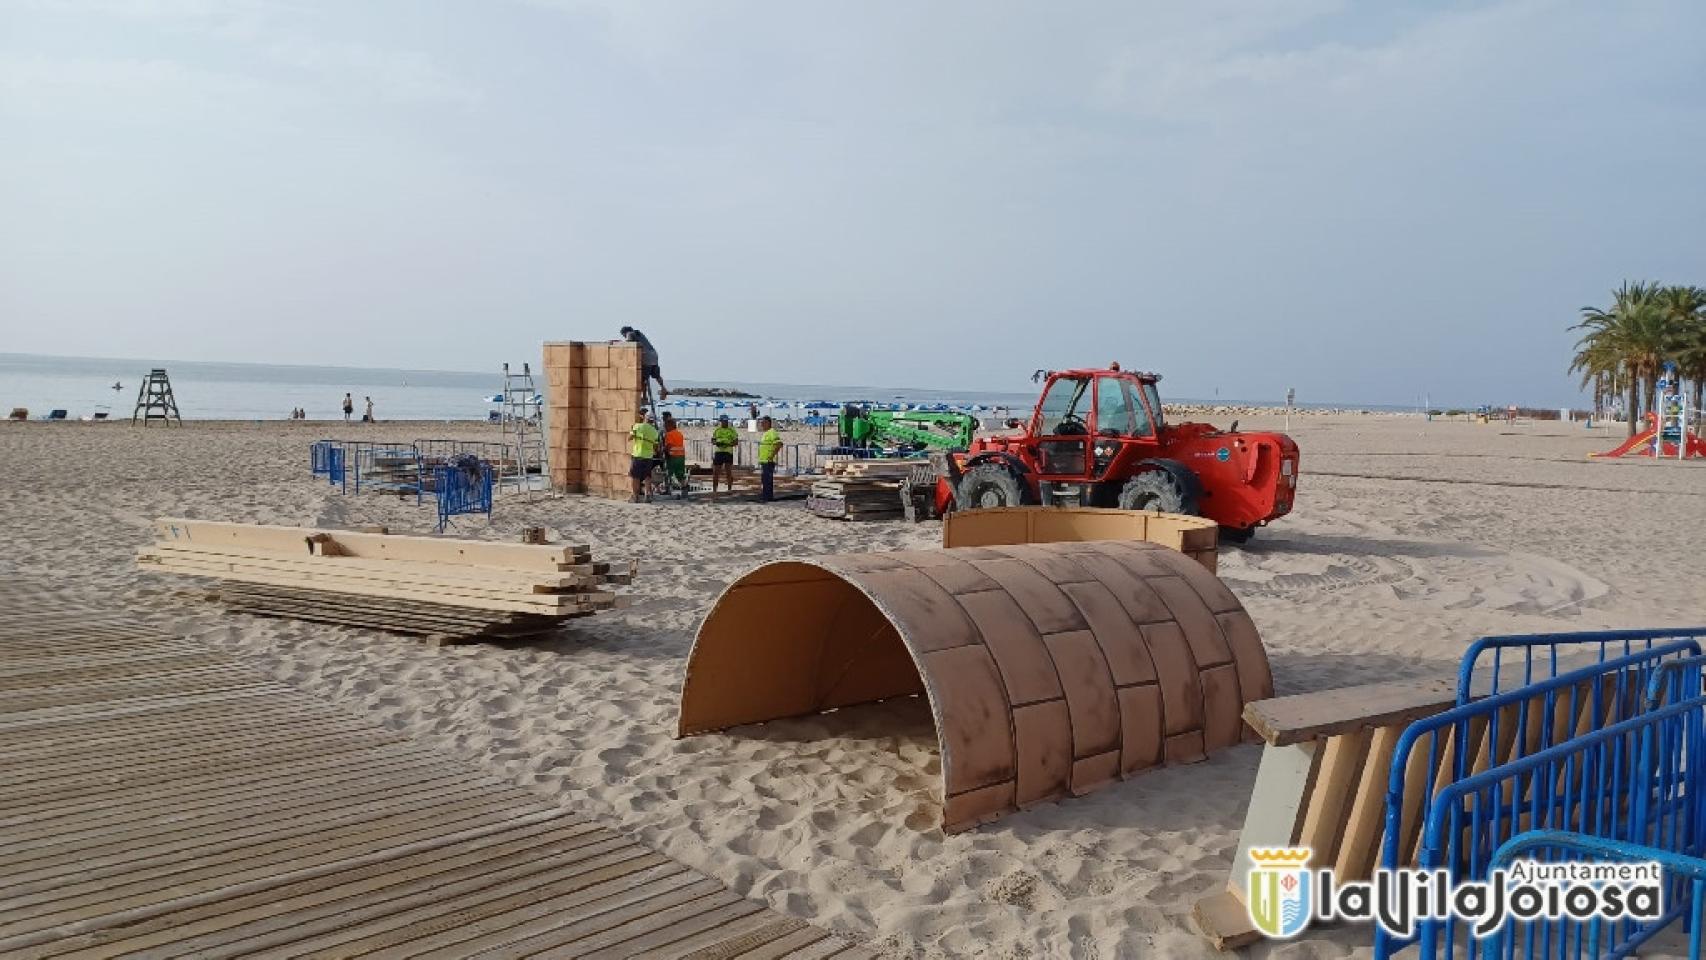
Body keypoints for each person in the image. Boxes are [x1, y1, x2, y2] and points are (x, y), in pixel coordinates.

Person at [619, 326, 668, 400]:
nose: (624, 336)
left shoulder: (629, 333)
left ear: (624, 332)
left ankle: (644, 397)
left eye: (623, 335)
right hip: (653, 355)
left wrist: (618, 343)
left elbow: (628, 343)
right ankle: (663, 388)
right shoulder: (639, 333)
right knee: (656, 375)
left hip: (646, 357)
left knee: (643, 378)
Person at [628, 409, 661, 503]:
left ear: (645, 418)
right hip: (648, 457)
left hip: (638, 455)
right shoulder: (655, 431)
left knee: (635, 477)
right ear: (653, 421)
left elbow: (629, 438)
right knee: (647, 477)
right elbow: (656, 447)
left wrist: (632, 430)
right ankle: (647, 495)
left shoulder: (637, 426)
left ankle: (635, 496)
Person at [710, 414, 739, 500]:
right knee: (716, 472)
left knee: (728, 471)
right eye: (723, 421)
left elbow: (736, 442)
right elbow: (713, 440)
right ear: (721, 421)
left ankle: (729, 489)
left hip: (727, 452)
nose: (724, 423)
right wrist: (716, 442)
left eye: (725, 421)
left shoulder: (732, 430)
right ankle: (715, 490)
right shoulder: (717, 430)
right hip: (718, 452)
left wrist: (727, 444)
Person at [661, 412, 688, 498]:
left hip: (672, 457)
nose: (665, 427)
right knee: (680, 474)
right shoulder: (679, 434)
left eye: (666, 426)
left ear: (670, 426)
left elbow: (669, 445)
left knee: (669, 473)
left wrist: (663, 451)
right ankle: (684, 489)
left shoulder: (669, 434)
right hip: (681, 456)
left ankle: (667, 489)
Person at [757, 415, 782, 502]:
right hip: (764, 460)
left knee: (767, 480)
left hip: (768, 461)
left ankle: (766, 497)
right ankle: (767, 497)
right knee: (765, 480)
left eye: (763, 423)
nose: (762, 425)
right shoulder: (766, 433)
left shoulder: (772, 432)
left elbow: (779, 444)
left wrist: (771, 456)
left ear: (768, 423)